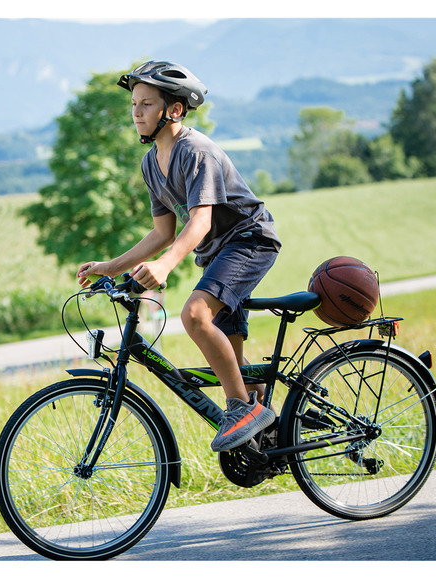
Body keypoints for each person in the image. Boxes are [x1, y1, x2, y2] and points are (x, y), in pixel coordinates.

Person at [77, 61, 281, 452]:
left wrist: (165, 265)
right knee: (234, 367)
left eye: (146, 103)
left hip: (248, 241)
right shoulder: (150, 163)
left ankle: (242, 411)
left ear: (173, 109)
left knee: (194, 315)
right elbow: (162, 232)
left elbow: (200, 222)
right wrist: (109, 266)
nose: (136, 112)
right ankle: (271, 434)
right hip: (216, 254)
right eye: (134, 103)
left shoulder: (196, 151)